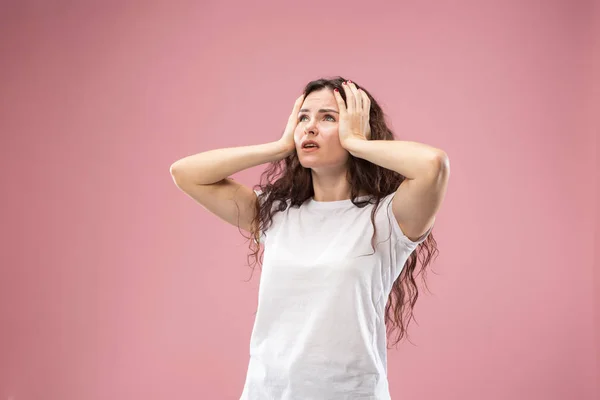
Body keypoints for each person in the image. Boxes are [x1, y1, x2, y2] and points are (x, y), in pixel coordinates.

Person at [170, 77, 450, 399]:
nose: (310, 127)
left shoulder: (387, 219)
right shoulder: (276, 214)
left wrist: (358, 143)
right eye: (303, 117)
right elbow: (185, 173)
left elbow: (434, 166)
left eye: (328, 117)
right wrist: (278, 147)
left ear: (356, 126)